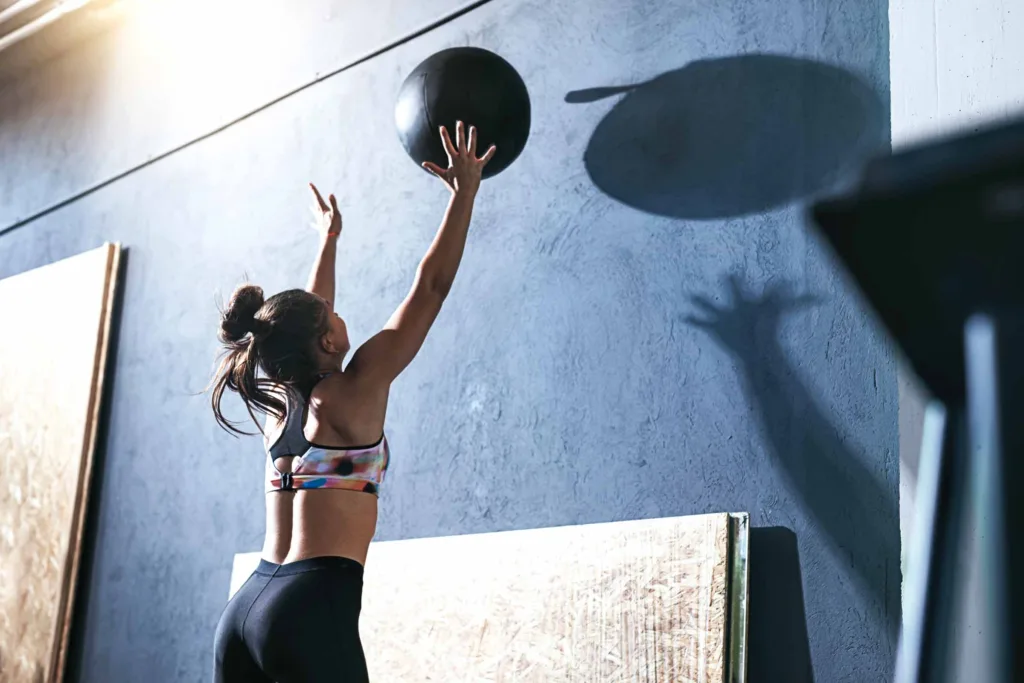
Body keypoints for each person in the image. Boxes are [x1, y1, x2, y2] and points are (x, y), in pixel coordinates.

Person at [210, 122, 495, 682]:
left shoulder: (278, 406)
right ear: (327, 342)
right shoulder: (356, 389)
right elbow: (430, 287)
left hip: (246, 610)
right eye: (334, 318)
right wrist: (464, 196)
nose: (340, 313)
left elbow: (307, 314)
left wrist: (329, 240)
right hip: (308, 609)